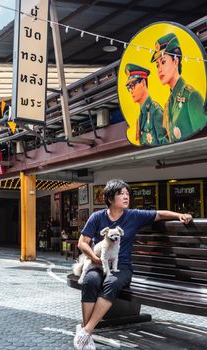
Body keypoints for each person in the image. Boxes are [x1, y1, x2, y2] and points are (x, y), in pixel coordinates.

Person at [73, 178, 192, 350]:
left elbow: (159, 214)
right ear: (110, 198)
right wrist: (94, 258)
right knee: (90, 281)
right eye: (121, 194)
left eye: (127, 193)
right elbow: (82, 242)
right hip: (98, 263)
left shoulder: (134, 215)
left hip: (122, 266)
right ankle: (86, 334)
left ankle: (86, 331)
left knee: (111, 282)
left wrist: (179, 215)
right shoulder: (97, 217)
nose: (126, 196)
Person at [151, 33, 207, 142]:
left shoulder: (191, 96)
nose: (159, 69)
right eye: (157, 65)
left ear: (175, 61)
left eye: (163, 62)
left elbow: (203, 137)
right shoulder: (168, 104)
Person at [125, 63, 168, 145]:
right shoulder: (141, 114)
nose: (131, 91)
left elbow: (165, 144)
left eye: (133, 85)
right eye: (129, 88)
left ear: (143, 83)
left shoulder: (155, 112)